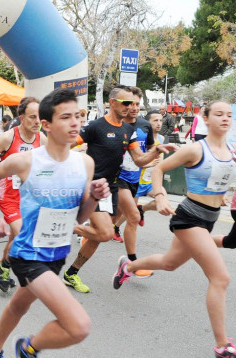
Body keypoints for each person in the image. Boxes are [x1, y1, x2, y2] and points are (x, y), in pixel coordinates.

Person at [0, 88, 110, 358]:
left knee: (19, 306)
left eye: (78, 116)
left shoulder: (85, 163)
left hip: (57, 253)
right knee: (78, 326)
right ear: (47, 124)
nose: (75, 123)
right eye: (65, 117)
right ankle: (29, 348)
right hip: (28, 254)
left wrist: (93, 197)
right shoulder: (27, 161)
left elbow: (80, 217)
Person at [113, 101, 236, 358]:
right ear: (205, 118)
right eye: (219, 114)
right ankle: (222, 345)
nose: (225, 118)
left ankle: (128, 265)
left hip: (210, 218)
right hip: (189, 218)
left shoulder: (231, 151)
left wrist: (223, 194)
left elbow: (219, 178)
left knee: (170, 263)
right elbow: (159, 168)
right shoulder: (195, 148)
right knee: (220, 277)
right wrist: (159, 195)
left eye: (229, 114)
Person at [63, 86, 176, 293]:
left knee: (98, 237)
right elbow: (67, 144)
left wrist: (155, 151)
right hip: (93, 187)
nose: (130, 107)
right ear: (112, 102)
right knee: (105, 233)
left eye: (133, 103)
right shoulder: (95, 127)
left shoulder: (128, 130)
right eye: (126, 103)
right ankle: (62, 223)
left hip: (111, 189)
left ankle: (71, 274)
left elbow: (140, 160)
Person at [0, 97, 46, 293]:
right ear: (22, 117)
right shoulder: (8, 137)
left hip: (30, 198)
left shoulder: (41, 138)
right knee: (21, 234)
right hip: (8, 196)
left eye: (40, 117)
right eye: (32, 117)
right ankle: (9, 267)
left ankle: (4, 265)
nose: (37, 122)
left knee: (15, 238)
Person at [111, 87, 155, 277]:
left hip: (135, 176)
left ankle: (92, 234)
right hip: (117, 177)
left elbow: (151, 147)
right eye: (131, 104)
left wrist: (155, 157)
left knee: (111, 222)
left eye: (137, 104)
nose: (135, 108)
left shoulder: (144, 126)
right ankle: (131, 264)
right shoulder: (115, 125)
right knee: (133, 216)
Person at [115, 110, 168, 241]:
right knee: (128, 213)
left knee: (162, 201)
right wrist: (147, 164)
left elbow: (160, 163)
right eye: (155, 120)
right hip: (137, 179)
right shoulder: (138, 137)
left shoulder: (161, 139)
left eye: (161, 120)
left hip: (151, 181)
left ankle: (142, 209)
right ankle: (115, 227)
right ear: (146, 123)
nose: (159, 123)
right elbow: (135, 159)